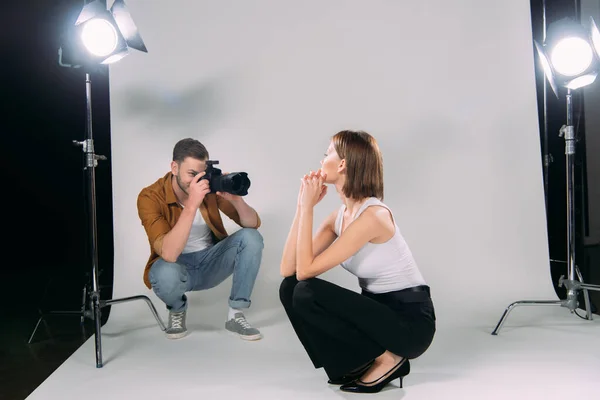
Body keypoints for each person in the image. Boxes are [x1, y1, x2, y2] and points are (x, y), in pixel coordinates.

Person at [279, 130, 436, 393]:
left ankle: (389, 358)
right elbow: (289, 269)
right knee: (289, 287)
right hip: (377, 315)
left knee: (306, 291)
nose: (321, 161)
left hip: (410, 323)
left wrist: (309, 208)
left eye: (327, 153)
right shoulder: (340, 216)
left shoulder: (373, 216)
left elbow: (305, 271)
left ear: (342, 164)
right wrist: (300, 207)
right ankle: (352, 362)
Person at [137, 138, 264, 340]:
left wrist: (237, 200)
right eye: (191, 174)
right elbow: (168, 254)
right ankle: (177, 310)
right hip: (176, 267)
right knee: (163, 272)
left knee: (251, 237)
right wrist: (191, 205)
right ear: (174, 167)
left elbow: (252, 224)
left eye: (202, 174)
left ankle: (236, 314)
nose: (198, 181)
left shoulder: (209, 188)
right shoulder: (150, 197)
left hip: (211, 262)